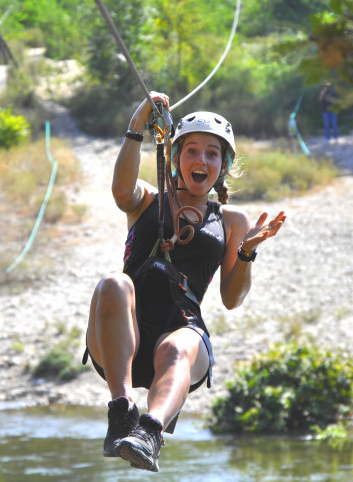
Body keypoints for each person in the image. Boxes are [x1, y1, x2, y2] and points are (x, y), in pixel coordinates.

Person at [83, 91, 286, 472]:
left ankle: (149, 432)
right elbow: (121, 191)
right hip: (123, 336)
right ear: (176, 159)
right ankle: (122, 409)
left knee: (181, 344)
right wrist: (136, 125)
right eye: (191, 150)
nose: (201, 159)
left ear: (222, 166)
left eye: (212, 154)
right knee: (114, 283)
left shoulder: (231, 221)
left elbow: (231, 298)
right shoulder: (147, 199)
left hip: (180, 335)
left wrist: (246, 252)